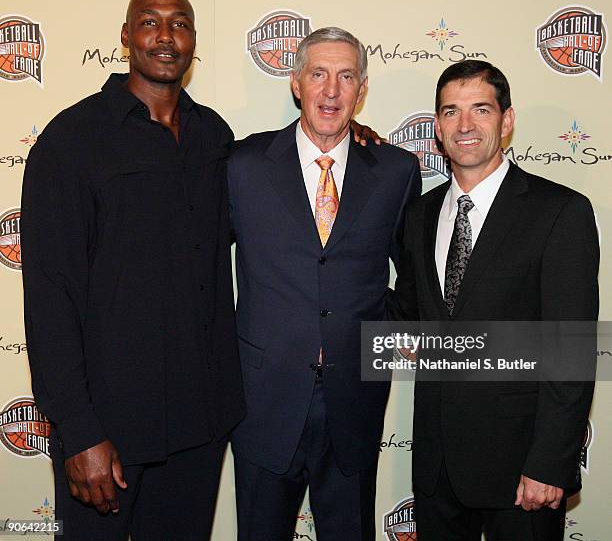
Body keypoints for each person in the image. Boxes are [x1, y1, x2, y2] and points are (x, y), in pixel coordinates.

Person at [21, 0, 245, 541]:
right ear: (126, 36)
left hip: (201, 422)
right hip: (109, 431)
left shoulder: (214, 136)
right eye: (150, 21)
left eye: (180, 23)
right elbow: (50, 296)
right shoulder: (71, 141)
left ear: (195, 38)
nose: (166, 37)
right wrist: (78, 431)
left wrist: (342, 139)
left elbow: (283, 178)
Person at [388, 60, 599, 540]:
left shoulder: (559, 212)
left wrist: (549, 463)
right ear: (437, 127)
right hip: (438, 471)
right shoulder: (420, 214)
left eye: (480, 110)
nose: (465, 125)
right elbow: (407, 314)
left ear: (506, 121)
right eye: (451, 112)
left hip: (522, 470)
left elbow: (571, 351)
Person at [228, 27, 422, 541]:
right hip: (263, 399)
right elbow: (197, 267)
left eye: (346, 77)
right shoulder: (242, 166)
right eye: (318, 74)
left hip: (353, 400)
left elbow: (417, 275)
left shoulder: (397, 171)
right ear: (296, 84)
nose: (331, 91)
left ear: (361, 90)